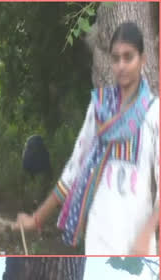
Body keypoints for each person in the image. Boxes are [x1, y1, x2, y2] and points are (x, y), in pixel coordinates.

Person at [17, 21, 159, 255]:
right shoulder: (99, 107)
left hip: (137, 236)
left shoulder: (154, 112)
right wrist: (37, 219)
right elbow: (75, 168)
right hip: (100, 232)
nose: (121, 65)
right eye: (116, 58)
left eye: (128, 57)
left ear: (142, 60)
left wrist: (148, 235)